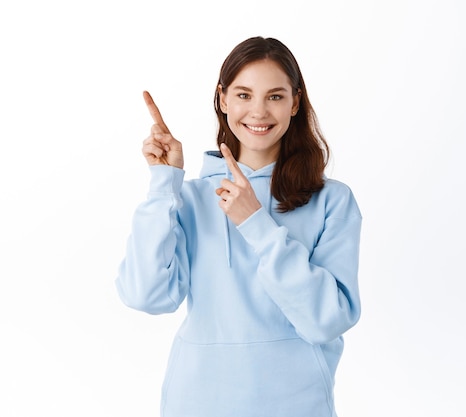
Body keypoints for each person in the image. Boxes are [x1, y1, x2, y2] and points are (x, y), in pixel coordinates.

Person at [115, 36, 362, 417]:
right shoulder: (191, 198)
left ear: (295, 102)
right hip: (197, 403)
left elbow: (327, 320)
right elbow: (145, 295)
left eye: (275, 96)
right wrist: (165, 181)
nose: (259, 111)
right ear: (222, 99)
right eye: (244, 95)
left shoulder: (332, 200)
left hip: (297, 404)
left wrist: (256, 223)